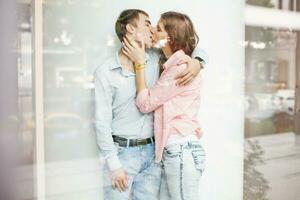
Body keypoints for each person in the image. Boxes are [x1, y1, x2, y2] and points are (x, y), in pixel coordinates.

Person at [94, 9, 207, 200]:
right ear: (130, 29)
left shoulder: (158, 59)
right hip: (122, 154)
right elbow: (101, 122)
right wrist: (113, 164)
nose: (152, 29)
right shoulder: (105, 72)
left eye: (156, 26)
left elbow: (185, 44)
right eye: (147, 23)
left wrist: (198, 62)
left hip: (153, 155)